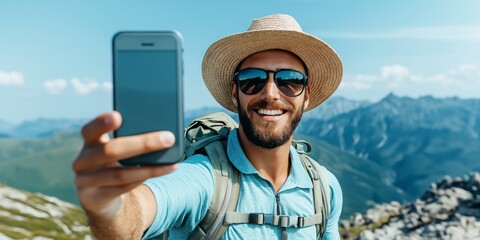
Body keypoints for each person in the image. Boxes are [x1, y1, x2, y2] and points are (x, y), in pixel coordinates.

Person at [73, 14, 343, 240]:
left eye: (289, 80)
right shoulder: (205, 178)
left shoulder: (326, 189)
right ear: (235, 93)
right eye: (252, 79)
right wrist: (110, 207)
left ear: (306, 95)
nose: (270, 93)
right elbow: (142, 210)